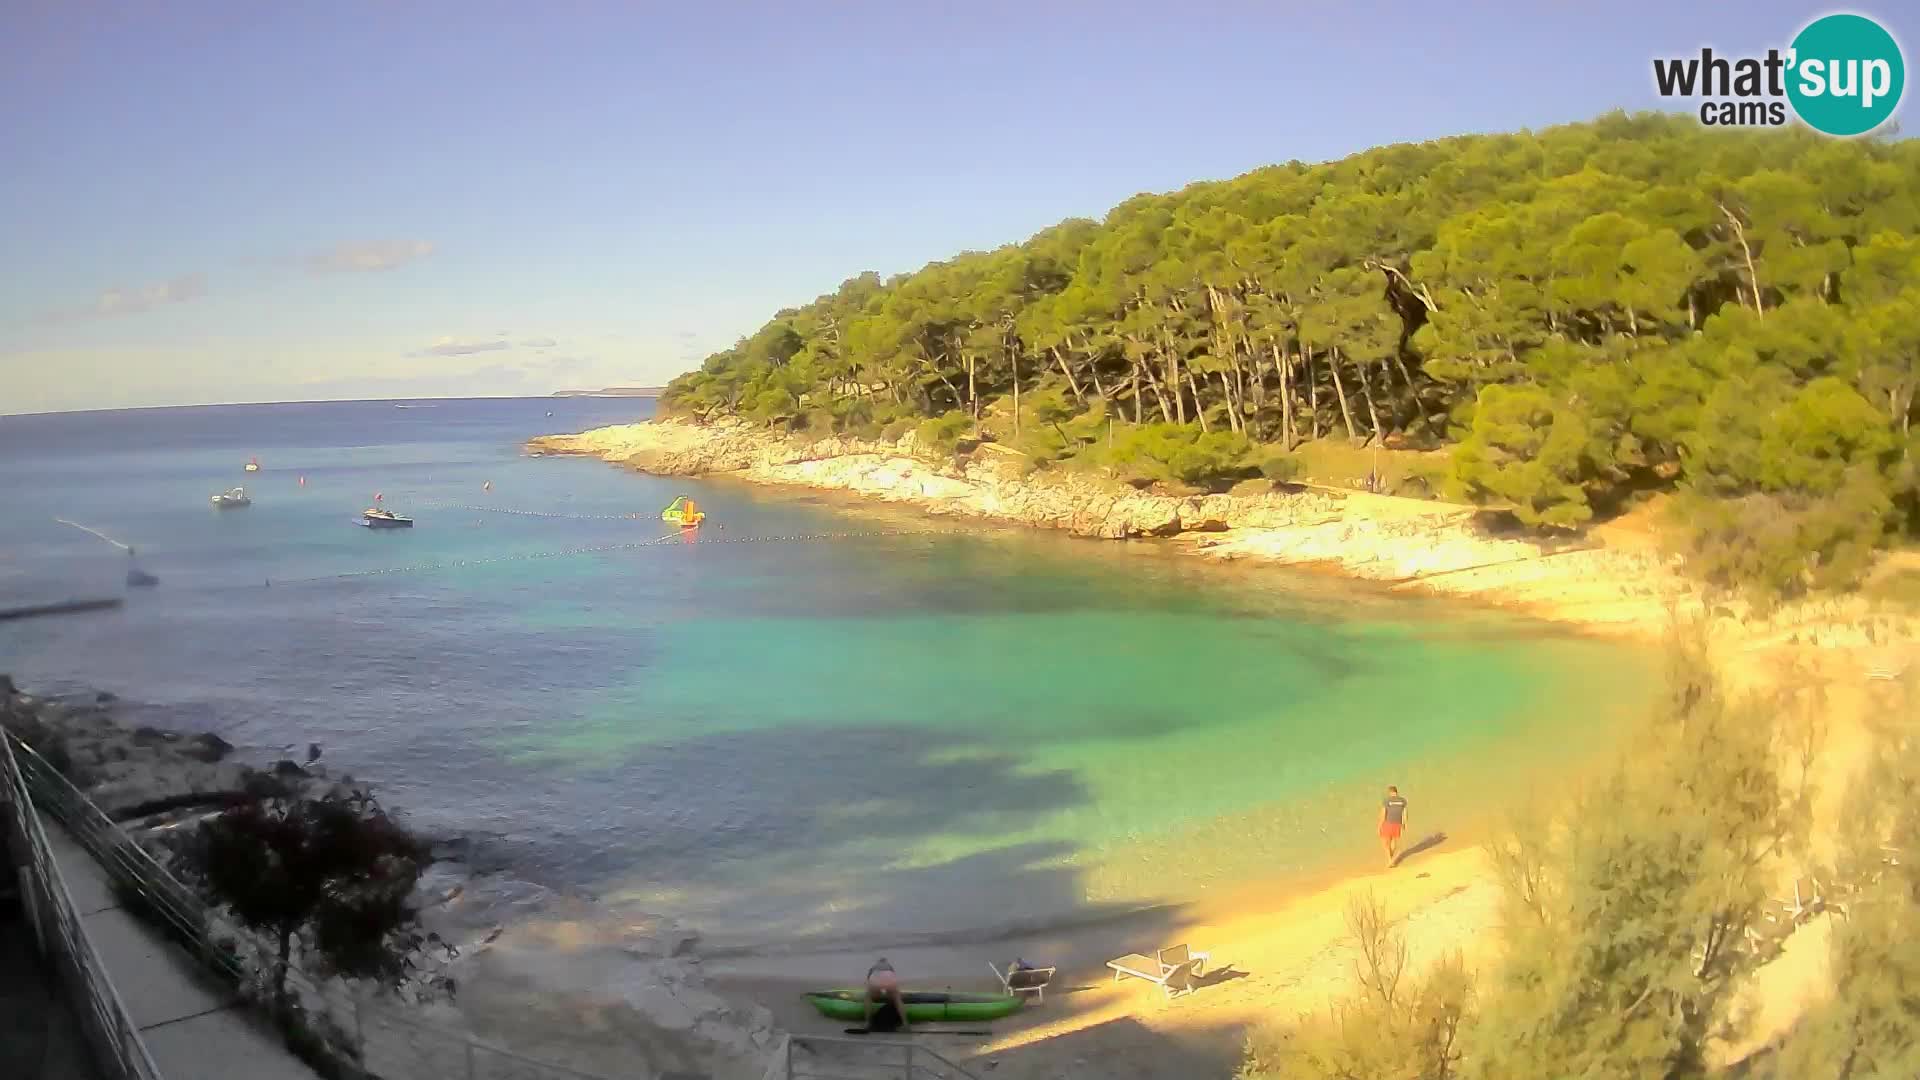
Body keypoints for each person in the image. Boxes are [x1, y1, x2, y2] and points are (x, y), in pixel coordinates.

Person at [863, 957, 910, 1032]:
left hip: (876, 981)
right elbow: (894, 978)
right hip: (890, 981)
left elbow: (868, 980)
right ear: (886, 962)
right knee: (897, 999)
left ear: (878, 962)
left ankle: (867, 1022)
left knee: (867, 997)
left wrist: (876, 992)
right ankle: (905, 1024)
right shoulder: (890, 967)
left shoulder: (874, 967)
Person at [1379, 785, 1409, 868]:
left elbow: (1383, 813)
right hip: (1398, 823)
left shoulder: (1387, 800)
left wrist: (1380, 825)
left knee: (1386, 843)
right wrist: (1404, 823)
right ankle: (1391, 859)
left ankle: (1390, 860)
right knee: (1394, 841)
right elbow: (1405, 813)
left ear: (1390, 792)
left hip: (1388, 822)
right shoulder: (1403, 801)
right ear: (1396, 792)